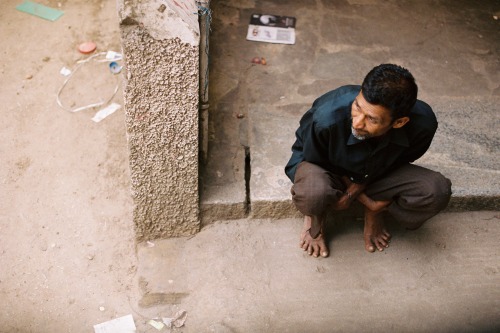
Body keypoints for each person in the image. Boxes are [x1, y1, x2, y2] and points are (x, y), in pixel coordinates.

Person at [285, 63, 452, 258]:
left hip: (377, 173)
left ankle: (376, 212)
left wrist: (366, 202)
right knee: (313, 193)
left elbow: (397, 164)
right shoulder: (326, 118)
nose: (357, 122)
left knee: (436, 191)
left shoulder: (423, 125)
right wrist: (357, 195)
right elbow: (313, 162)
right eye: (357, 106)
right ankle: (315, 218)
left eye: (371, 119)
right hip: (329, 170)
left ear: (399, 122)